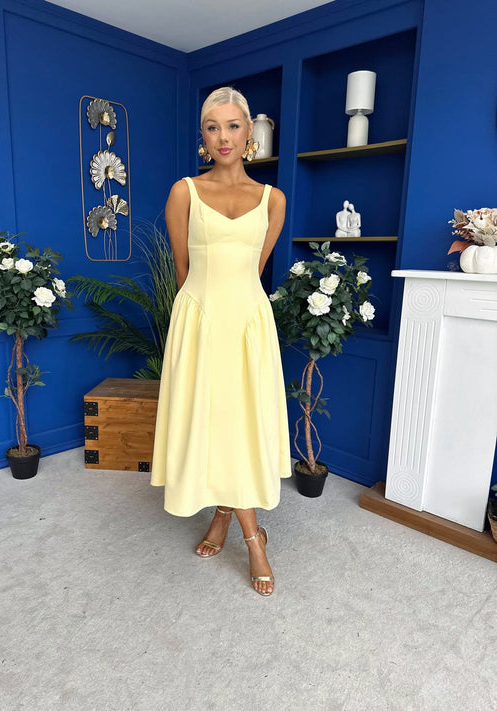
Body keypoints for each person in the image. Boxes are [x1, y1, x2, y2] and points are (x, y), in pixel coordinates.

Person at [150, 86, 292, 596]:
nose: (223, 137)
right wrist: (201, 318)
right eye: (213, 127)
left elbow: (255, 268)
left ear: (249, 132)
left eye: (233, 126)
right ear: (203, 136)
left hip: (249, 325)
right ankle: (254, 538)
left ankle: (230, 522)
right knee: (212, 423)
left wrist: (234, 309)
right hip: (201, 320)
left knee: (240, 425)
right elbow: (183, 270)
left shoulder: (273, 199)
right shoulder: (183, 192)